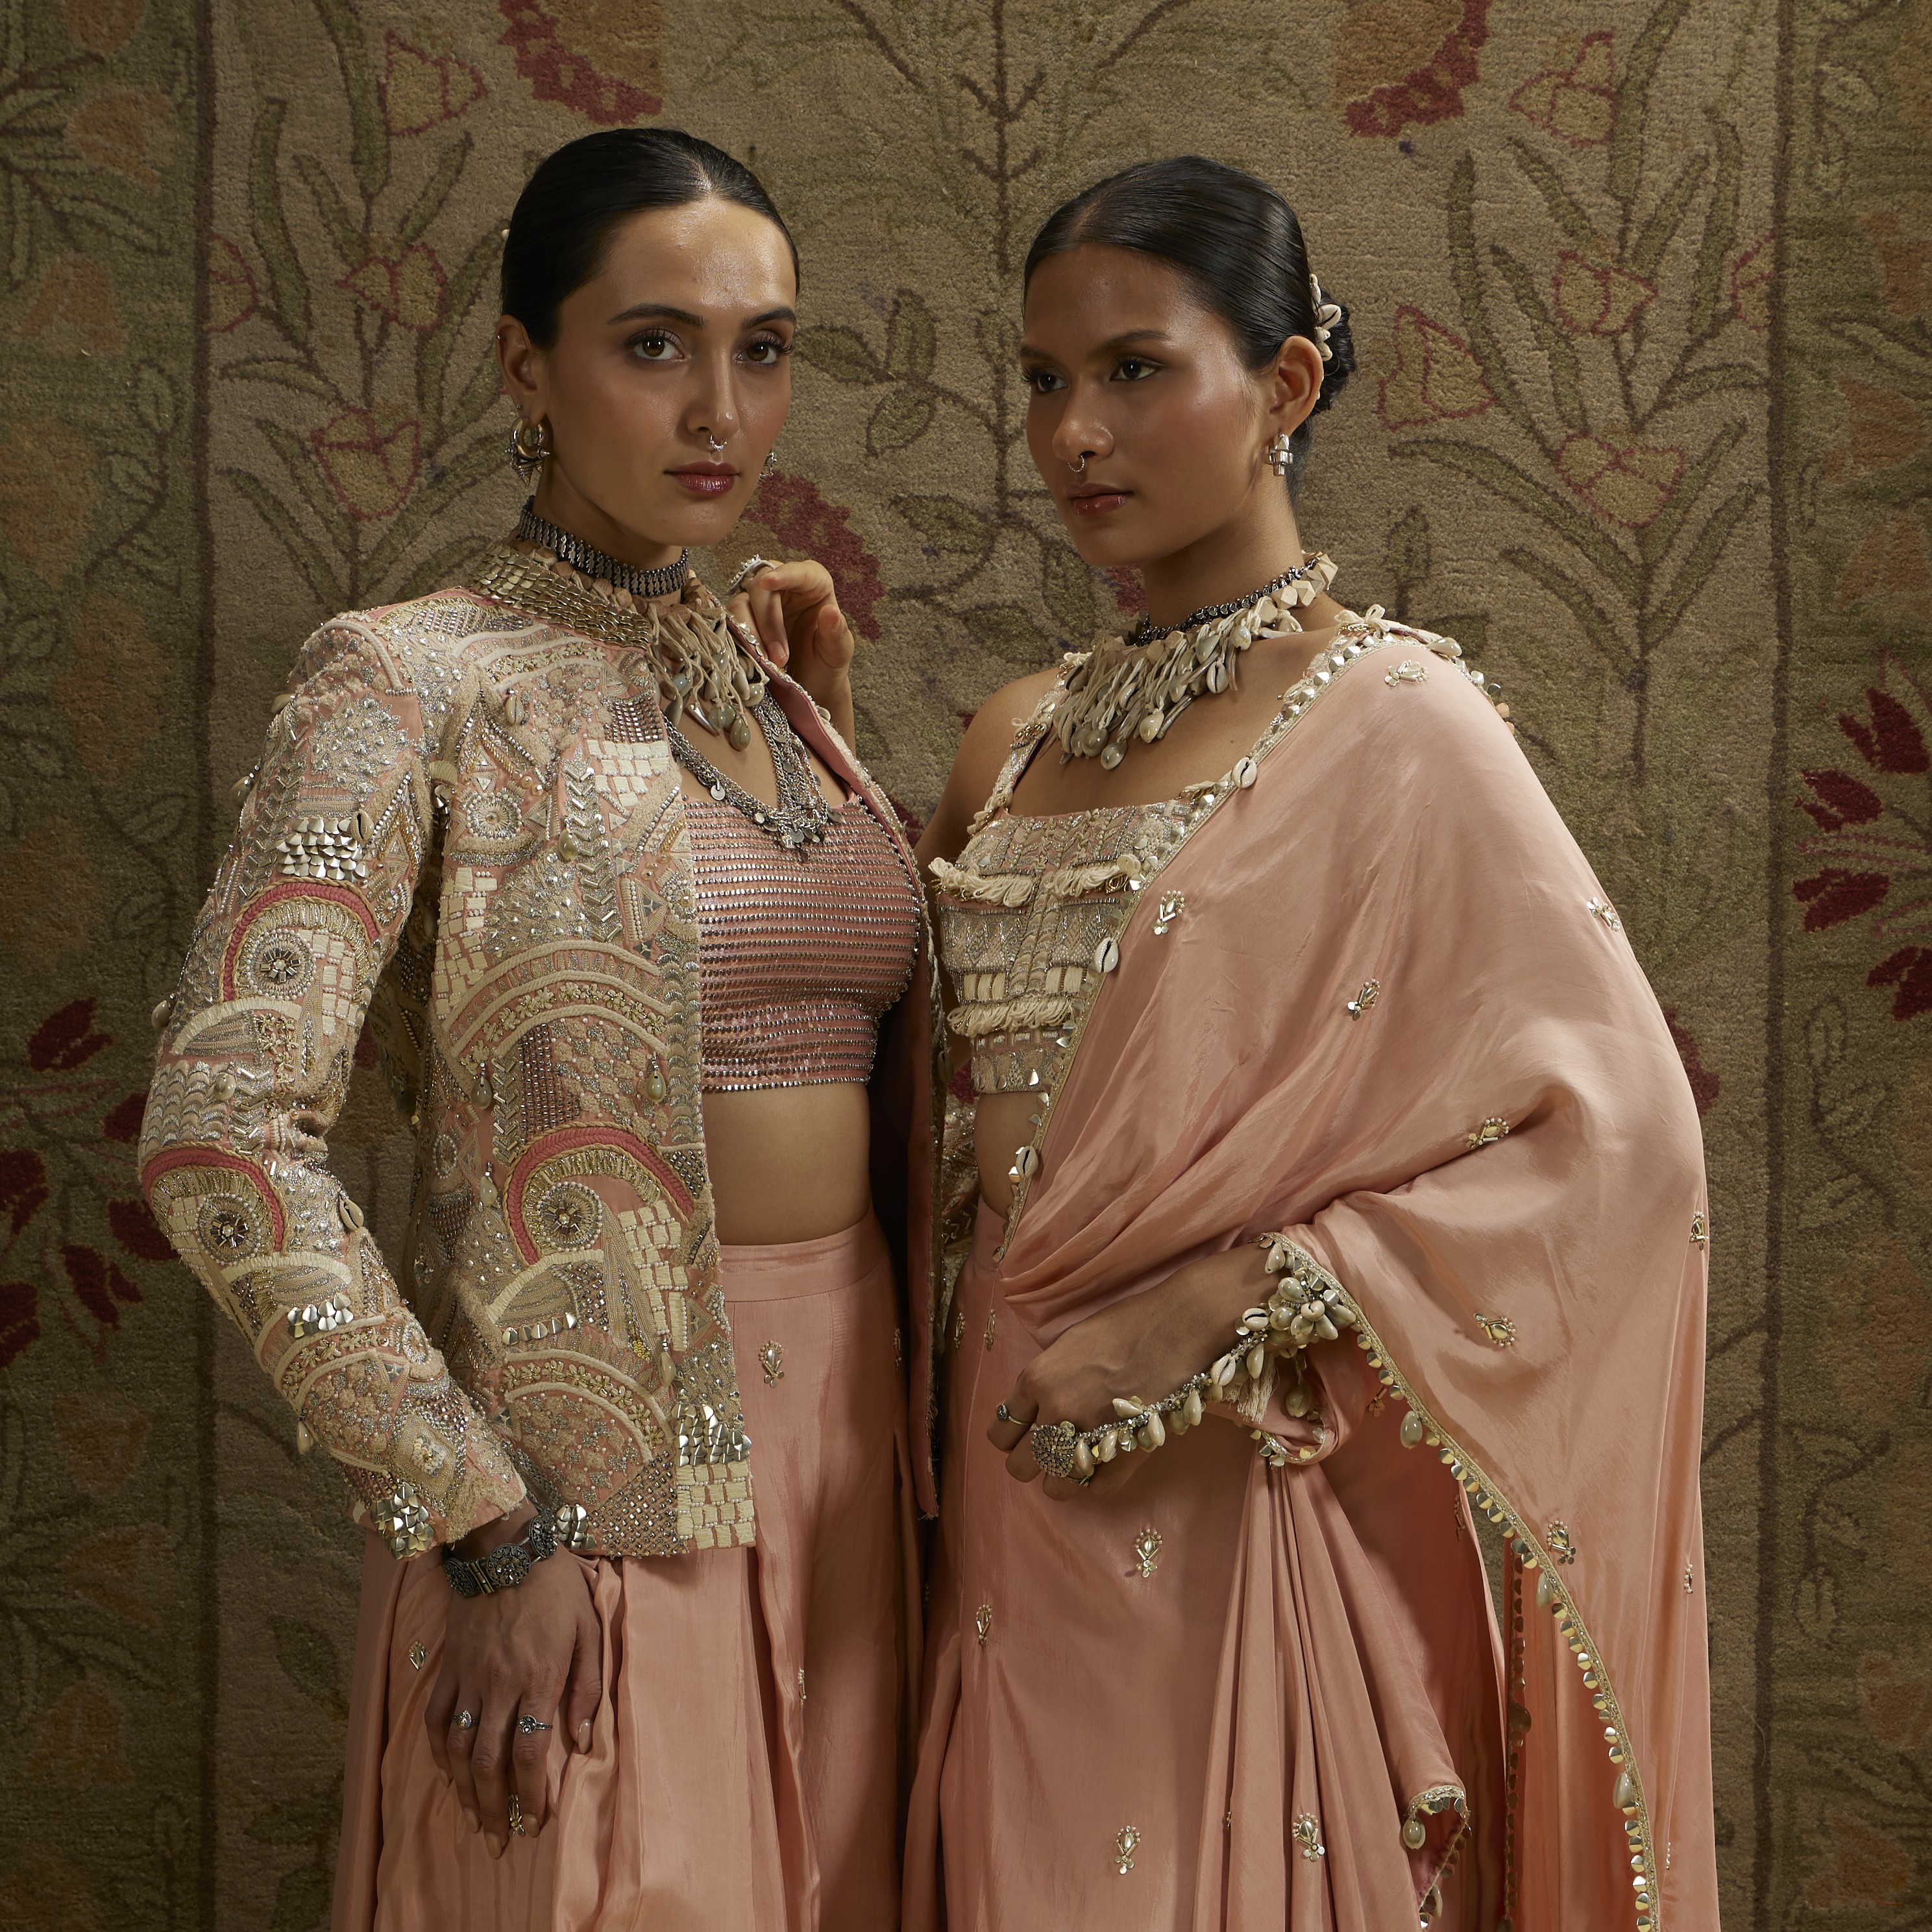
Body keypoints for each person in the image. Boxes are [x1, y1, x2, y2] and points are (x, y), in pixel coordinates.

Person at [903, 156, 1717, 1931]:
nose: (1071, 435)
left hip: (1231, 1499)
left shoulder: (1400, 725)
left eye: (1135, 370)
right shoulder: (1012, 743)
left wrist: (1228, 1295)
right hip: (1004, 1491)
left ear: (1283, 385)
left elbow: (1618, 1140)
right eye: (1043, 380)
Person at [140, 128, 923, 1932]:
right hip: (589, 1485)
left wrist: (820, 719)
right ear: (524, 364)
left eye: (763, 349)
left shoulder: (768, 683)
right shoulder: (405, 679)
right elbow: (221, 1127)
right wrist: (485, 1515)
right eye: (653, 345)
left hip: (862, 1462)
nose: (719, 409)